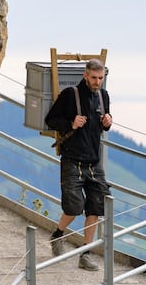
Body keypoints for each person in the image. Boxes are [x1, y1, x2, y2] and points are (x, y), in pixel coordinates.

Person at [45, 58, 113, 270]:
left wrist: (108, 121)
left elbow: (103, 126)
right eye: (94, 78)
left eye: (101, 78)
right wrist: (70, 123)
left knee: (96, 207)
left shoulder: (103, 96)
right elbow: (51, 120)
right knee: (74, 208)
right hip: (72, 159)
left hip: (94, 161)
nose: (97, 82)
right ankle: (58, 235)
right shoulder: (70, 95)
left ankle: (86, 254)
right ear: (85, 75)